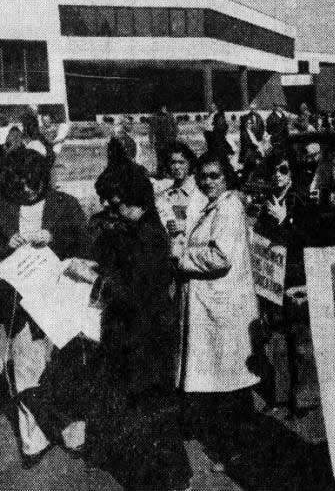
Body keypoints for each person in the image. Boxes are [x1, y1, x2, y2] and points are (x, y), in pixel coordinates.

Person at [29, 161, 193, 490]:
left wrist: (92, 277)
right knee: (142, 408)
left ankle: (172, 478)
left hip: (146, 336)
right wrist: (94, 264)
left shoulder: (149, 235)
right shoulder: (138, 228)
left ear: (133, 198)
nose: (108, 208)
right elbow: (122, 271)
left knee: (151, 409)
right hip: (134, 334)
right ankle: (163, 474)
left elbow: (134, 291)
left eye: (114, 201)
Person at [0, 148, 88, 468]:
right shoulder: (2, 208)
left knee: (65, 369)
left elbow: (85, 242)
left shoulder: (64, 204)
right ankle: (33, 439)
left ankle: (73, 431)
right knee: (26, 371)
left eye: (32, 182)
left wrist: (55, 235)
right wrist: (5, 245)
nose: (26, 190)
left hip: (59, 299)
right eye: (18, 183)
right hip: (18, 306)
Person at [176, 151, 260, 472]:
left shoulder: (228, 207)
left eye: (215, 175)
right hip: (214, 305)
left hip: (222, 307)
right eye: (203, 176)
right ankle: (233, 448)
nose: (207, 181)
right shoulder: (215, 206)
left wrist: (180, 257)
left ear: (227, 178)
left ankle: (237, 452)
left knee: (230, 386)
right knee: (225, 383)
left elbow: (219, 256)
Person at [250, 149, 311, 415]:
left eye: (283, 170)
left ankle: (304, 397)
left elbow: (308, 238)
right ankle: (280, 395)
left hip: (296, 277)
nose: (277, 176)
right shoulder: (267, 203)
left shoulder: (301, 201)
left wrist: (284, 220)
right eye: (274, 171)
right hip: (274, 277)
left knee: (300, 340)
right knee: (277, 338)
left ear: (292, 174)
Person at [155, 141, 206, 258]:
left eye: (181, 162)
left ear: (189, 164)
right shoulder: (163, 196)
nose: (177, 167)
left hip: (196, 257)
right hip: (170, 258)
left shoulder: (201, 194)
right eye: (173, 162)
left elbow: (212, 226)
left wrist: (186, 226)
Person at [149, 104, 178, 178]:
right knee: (160, 157)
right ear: (159, 108)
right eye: (161, 108)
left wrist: (173, 137)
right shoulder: (154, 117)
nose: (163, 109)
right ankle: (160, 173)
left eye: (164, 107)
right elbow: (151, 130)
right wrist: (151, 141)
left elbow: (175, 128)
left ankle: (170, 172)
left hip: (169, 141)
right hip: (159, 141)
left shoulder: (170, 116)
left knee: (169, 157)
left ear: (166, 108)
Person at [240, 103, 266, 182]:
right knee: (251, 162)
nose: (253, 110)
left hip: (257, 140)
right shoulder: (247, 117)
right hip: (250, 144)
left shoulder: (259, 117)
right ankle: (248, 179)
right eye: (252, 109)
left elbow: (262, 127)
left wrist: (259, 137)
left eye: (255, 109)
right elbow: (245, 137)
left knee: (258, 161)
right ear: (250, 109)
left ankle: (254, 177)